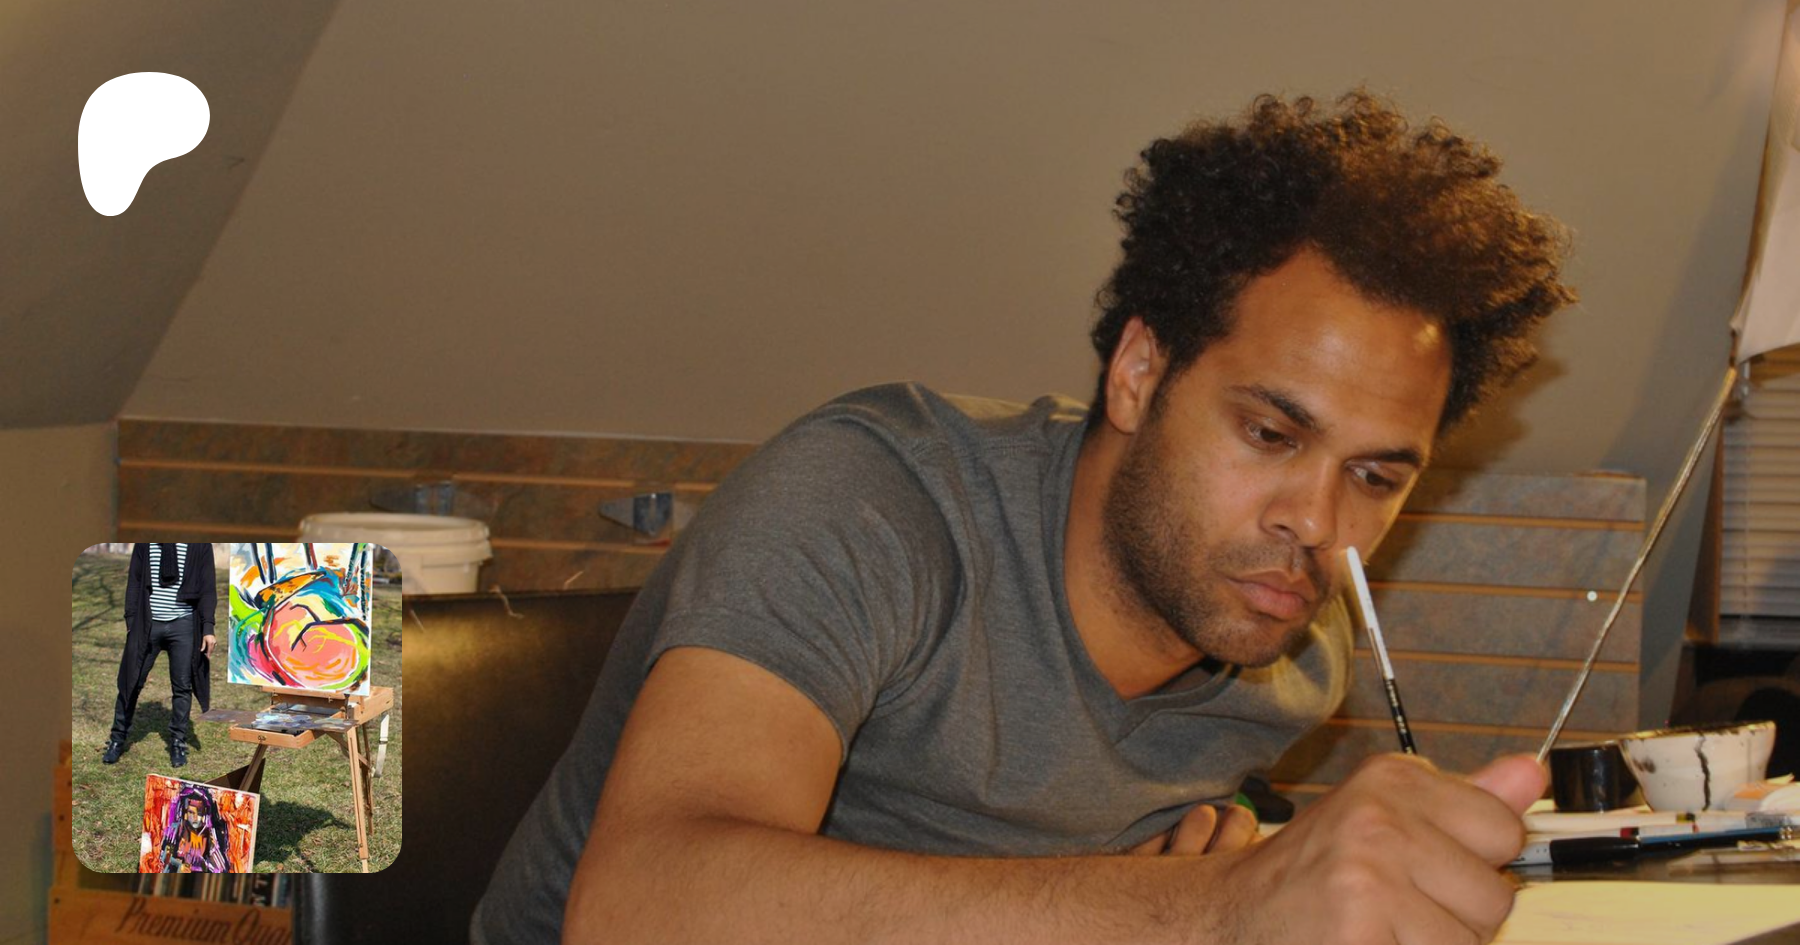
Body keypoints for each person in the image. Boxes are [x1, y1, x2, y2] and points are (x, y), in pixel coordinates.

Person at [473, 90, 1577, 944]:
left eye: (1376, 477)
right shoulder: (875, 501)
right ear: (1140, 373)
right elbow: (640, 906)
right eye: (1270, 433)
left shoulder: (1292, 656)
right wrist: (1211, 907)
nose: (1317, 522)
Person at [105, 542, 217, 768]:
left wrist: (208, 628)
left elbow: (207, 587)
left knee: (182, 686)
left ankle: (177, 742)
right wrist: (131, 621)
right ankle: (117, 739)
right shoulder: (145, 542)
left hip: (184, 625)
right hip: (148, 624)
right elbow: (134, 581)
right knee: (131, 682)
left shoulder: (199, 544)